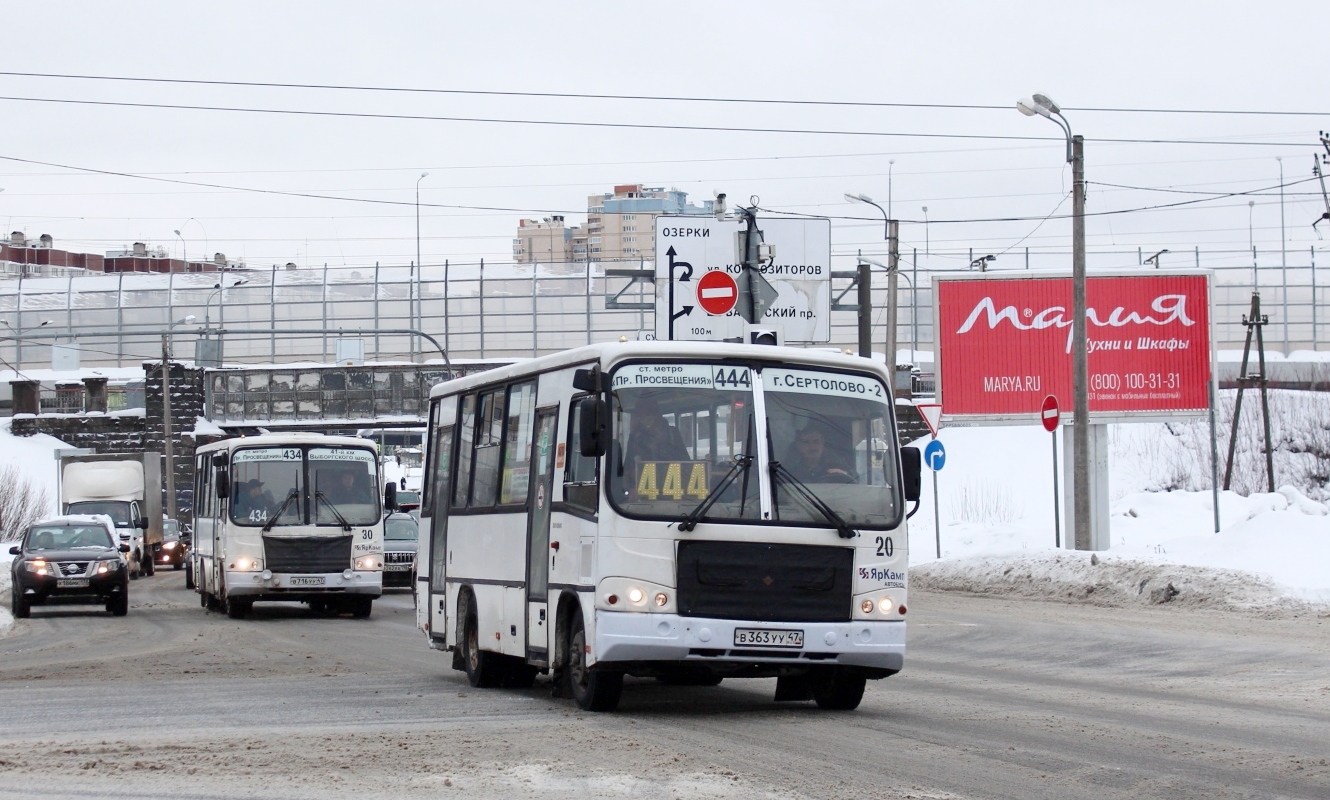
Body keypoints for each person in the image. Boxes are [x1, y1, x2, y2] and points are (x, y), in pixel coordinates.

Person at [621, 396, 690, 475]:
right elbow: (627, 469)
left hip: (673, 483)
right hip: (643, 485)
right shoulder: (635, 437)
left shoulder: (672, 434)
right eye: (639, 415)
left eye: (648, 414)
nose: (643, 418)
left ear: (657, 415)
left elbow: (686, 463)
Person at [785, 424, 855, 483]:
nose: (812, 446)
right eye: (806, 442)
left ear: (823, 444)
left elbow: (857, 479)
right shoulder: (788, 472)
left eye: (816, 441)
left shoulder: (837, 465)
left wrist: (846, 474)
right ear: (798, 446)